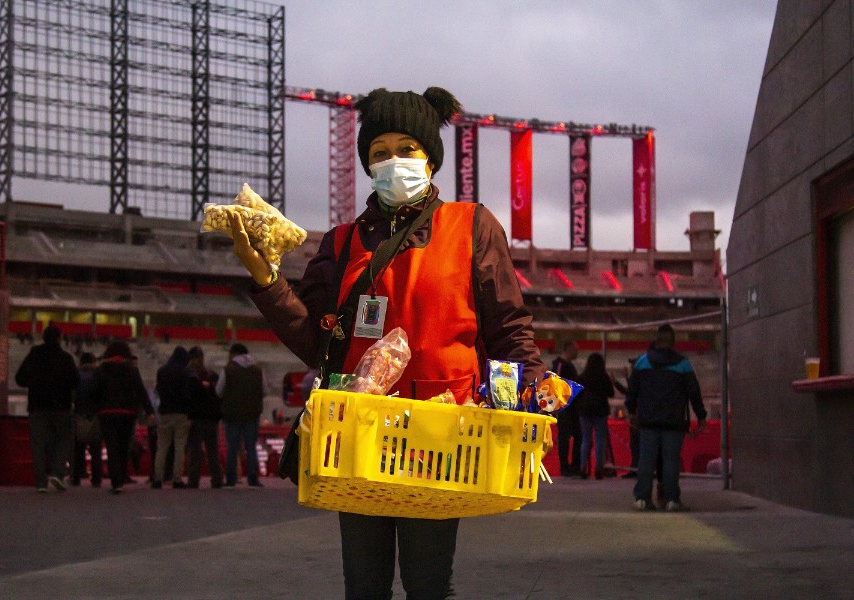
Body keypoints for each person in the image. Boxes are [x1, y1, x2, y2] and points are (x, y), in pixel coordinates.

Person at [228, 86, 546, 599]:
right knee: (364, 588)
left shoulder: (472, 227)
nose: (393, 160)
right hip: (358, 436)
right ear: (366, 163)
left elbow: (508, 327)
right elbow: (317, 344)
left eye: (407, 148)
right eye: (380, 152)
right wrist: (267, 281)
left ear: (430, 157)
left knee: (427, 586)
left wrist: (533, 398)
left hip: (441, 437)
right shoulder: (340, 243)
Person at [626, 324, 707, 511]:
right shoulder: (683, 364)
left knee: (646, 460)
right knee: (671, 461)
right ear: (673, 341)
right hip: (674, 421)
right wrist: (701, 415)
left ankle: (642, 498)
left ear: (656, 340)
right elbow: (694, 392)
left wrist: (631, 411)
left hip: (648, 420)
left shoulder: (642, 362)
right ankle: (671, 499)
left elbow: (632, 390)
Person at [15, 324, 79, 493]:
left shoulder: (34, 355)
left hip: (37, 406)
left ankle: (41, 483)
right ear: (59, 338)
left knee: (38, 444)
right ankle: (58, 473)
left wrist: (35, 383)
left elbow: (19, 378)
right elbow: (75, 381)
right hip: (61, 406)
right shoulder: (65, 358)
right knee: (63, 440)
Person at [90, 341, 153, 494]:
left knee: (112, 446)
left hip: (107, 413)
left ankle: (115, 481)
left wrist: (93, 409)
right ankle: (122, 475)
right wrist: (149, 410)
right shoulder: (132, 370)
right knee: (124, 446)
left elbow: (94, 392)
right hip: (127, 412)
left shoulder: (100, 370)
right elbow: (140, 390)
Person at [216, 343, 265, 488]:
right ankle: (253, 478)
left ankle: (231, 479)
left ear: (233, 354)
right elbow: (265, 390)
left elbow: (218, 391)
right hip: (252, 413)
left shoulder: (228, 370)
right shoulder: (257, 370)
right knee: (251, 447)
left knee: (232, 448)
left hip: (231, 414)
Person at [152, 346, 193, 489]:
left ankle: (157, 478)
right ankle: (177, 478)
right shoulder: (187, 373)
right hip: (181, 413)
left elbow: (158, 391)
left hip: (165, 412)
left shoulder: (162, 371)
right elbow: (190, 394)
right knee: (179, 447)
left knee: (162, 447)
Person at [186, 346, 223, 489]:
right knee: (212, 451)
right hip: (212, 418)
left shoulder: (189, 376)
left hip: (196, 418)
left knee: (195, 451)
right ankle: (217, 479)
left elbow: (188, 398)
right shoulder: (213, 375)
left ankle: (193, 480)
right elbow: (219, 395)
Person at [575, 352, 614, 480]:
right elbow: (611, 393)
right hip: (600, 411)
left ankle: (582, 468)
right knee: (599, 440)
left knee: (585, 440)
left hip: (585, 411)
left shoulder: (582, 377)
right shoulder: (604, 377)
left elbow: (577, 395)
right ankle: (598, 468)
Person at [70, 352, 103, 487]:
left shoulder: (76, 376)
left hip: (79, 414)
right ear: (94, 362)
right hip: (95, 416)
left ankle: (76, 477)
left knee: (78, 449)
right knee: (95, 450)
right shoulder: (99, 375)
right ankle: (96, 479)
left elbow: (72, 396)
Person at [552, 340, 582, 477]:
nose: (577, 352)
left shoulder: (568, 366)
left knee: (577, 436)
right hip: (565, 409)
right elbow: (556, 385)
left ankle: (573, 466)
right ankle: (565, 467)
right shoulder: (560, 365)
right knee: (565, 438)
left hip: (572, 408)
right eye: (575, 349)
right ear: (569, 349)